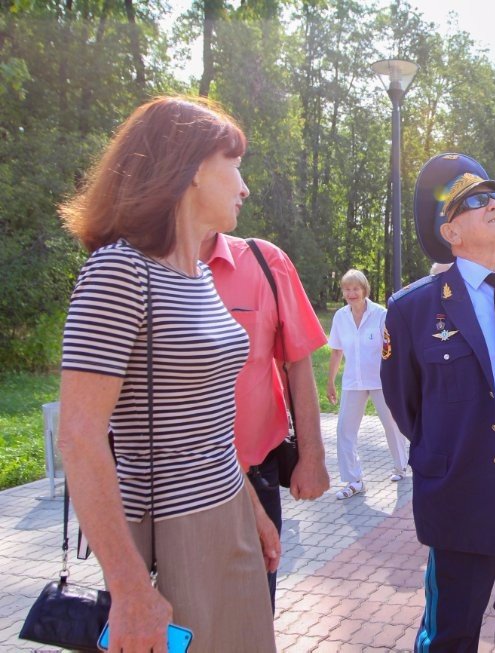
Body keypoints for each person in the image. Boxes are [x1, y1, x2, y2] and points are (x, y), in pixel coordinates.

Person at [57, 96, 277, 651]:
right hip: (171, 534)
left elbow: (206, 416)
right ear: (195, 165)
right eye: (236, 165)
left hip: (227, 513)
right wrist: (129, 588)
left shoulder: (199, 275)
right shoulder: (118, 272)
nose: (244, 187)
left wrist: (249, 507)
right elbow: (79, 437)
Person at [381, 153, 495, 652]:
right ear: (451, 234)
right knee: (452, 628)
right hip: (463, 481)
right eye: (475, 201)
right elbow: (407, 406)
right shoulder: (414, 309)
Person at [199, 230, 330, 606]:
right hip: (177, 486)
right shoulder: (146, 264)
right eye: (231, 169)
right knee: (183, 623)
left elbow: (297, 361)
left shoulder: (264, 260)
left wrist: (312, 457)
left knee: (253, 617)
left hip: (258, 474)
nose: (243, 189)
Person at [326, 269, 409, 499]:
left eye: (356, 289)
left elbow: (393, 349)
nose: (351, 293)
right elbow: (336, 352)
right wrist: (331, 382)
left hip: (381, 381)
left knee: (391, 425)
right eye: (347, 289)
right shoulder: (340, 317)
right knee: (344, 430)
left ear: (364, 290)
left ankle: (401, 467)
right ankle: (354, 480)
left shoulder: (381, 314)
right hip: (353, 382)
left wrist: (399, 378)